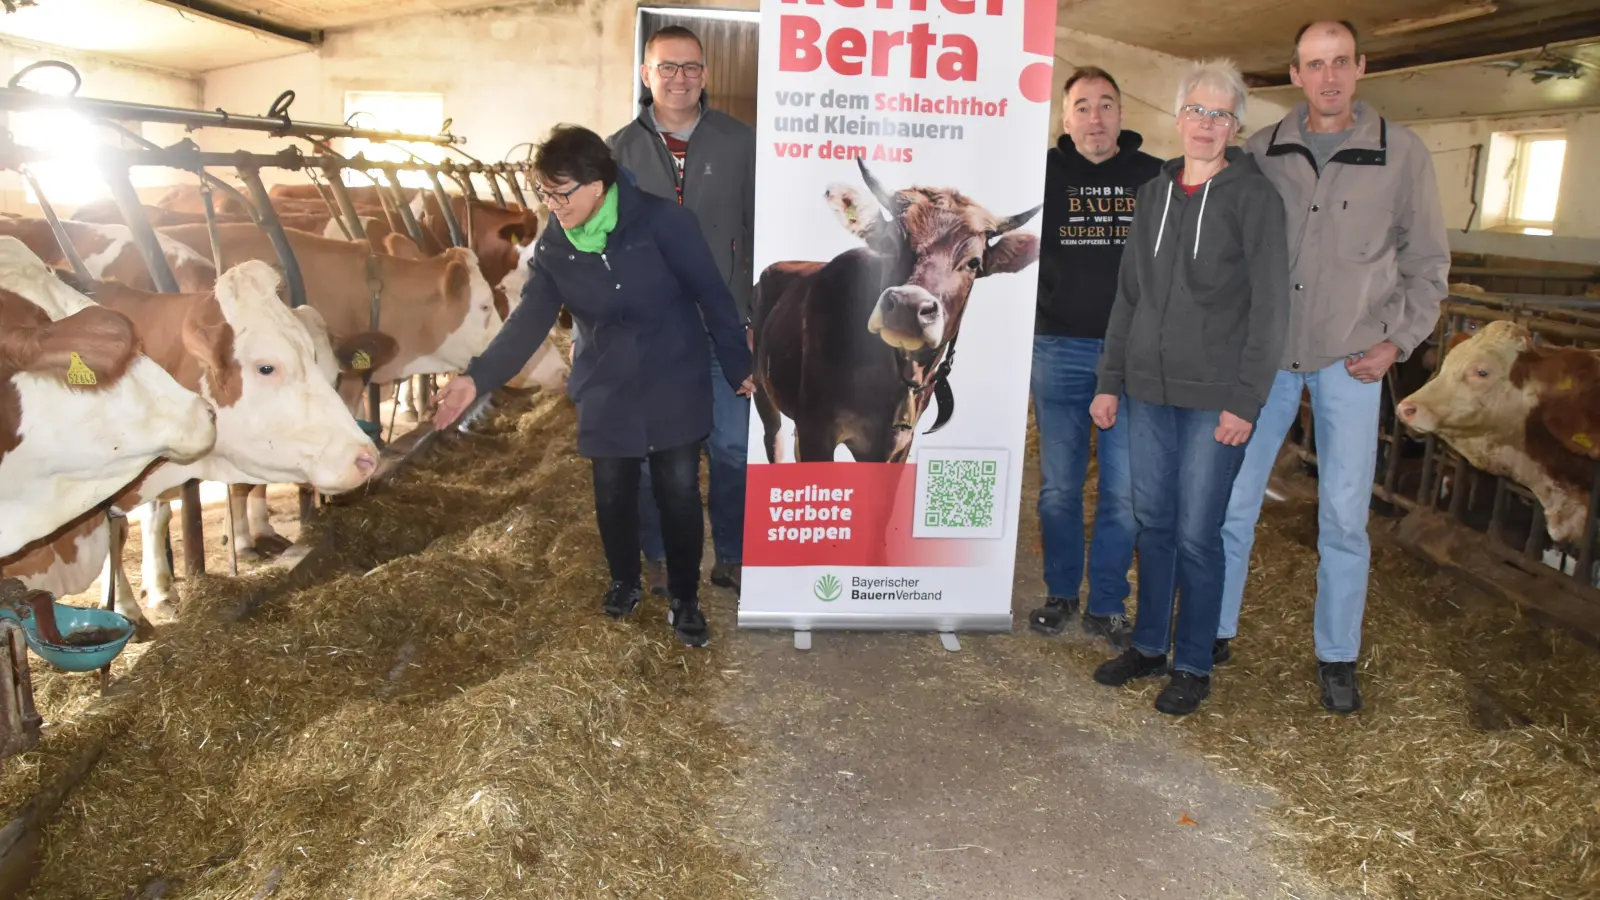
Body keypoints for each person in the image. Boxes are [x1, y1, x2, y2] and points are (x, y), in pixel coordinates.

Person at [432, 124, 753, 648]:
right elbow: (529, 321)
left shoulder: (665, 223)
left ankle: (686, 599)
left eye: (563, 192)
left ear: (599, 184)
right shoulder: (556, 248)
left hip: (673, 375)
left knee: (676, 489)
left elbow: (712, 296)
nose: (553, 205)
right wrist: (476, 378)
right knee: (613, 493)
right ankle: (624, 582)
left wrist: (740, 365)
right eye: (545, 193)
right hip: (608, 384)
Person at [1218, 20, 1449, 714]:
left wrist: (1397, 343)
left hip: (1352, 360)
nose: (1328, 77)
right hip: (1269, 359)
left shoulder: (1401, 154)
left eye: (1340, 62)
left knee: (1345, 516)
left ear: (1361, 67)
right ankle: (1215, 628)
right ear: (1294, 74)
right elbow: (1232, 253)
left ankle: (1337, 654)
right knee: (1234, 502)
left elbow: (1428, 264)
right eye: (1315, 65)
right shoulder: (1261, 151)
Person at [1089, 59, 1290, 716]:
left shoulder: (1255, 199)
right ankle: (1149, 646)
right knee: (1155, 524)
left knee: (1200, 533)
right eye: (1196, 111)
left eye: (1220, 114)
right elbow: (1128, 296)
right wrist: (1110, 380)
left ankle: (1194, 662)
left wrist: (1246, 400)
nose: (1206, 124)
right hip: (1147, 390)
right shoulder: (1154, 194)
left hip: (1213, 401)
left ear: (1235, 126)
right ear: (1177, 118)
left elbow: (1269, 309)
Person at [608, 24, 757, 597]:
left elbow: (755, 230)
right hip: (650, 337)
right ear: (646, 76)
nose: (679, 78)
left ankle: (734, 552)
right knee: (652, 456)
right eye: (666, 67)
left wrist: (750, 318)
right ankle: (661, 553)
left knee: (733, 448)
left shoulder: (739, 144)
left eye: (691, 67)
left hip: (725, 330)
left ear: (705, 76)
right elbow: (601, 243)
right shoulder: (618, 150)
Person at [1028, 66, 1162, 650]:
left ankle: (1107, 602)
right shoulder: (1042, 173)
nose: (1095, 117)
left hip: (1130, 354)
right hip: (1057, 347)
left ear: (1122, 113)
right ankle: (1061, 591)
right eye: (1082, 106)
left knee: (1123, 490)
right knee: (1059, 486)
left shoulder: (1153, 176)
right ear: (1065, 117)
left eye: (1106, 104)